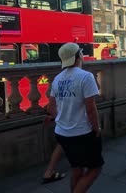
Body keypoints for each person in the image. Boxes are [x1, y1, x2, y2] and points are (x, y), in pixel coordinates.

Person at [48, 43, 103, 193]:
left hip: (62, 133)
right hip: (82, 133)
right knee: (95, 168)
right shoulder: (86, 77)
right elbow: (91, 109)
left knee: (76, 168)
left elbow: (51, 107)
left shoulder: (57, 79)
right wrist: (96, 128)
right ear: (79, 56)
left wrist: (61, 120)